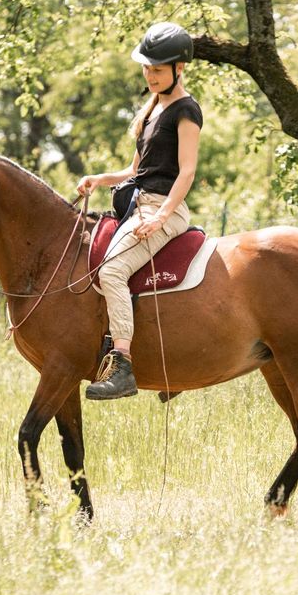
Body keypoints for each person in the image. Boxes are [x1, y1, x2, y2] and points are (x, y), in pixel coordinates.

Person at [76, 22, 203, 401]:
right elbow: (135, 172)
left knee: (112, 270)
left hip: (164, 210)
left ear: (180, 69)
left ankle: (124, 365)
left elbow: (187, 171)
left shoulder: (186, 111)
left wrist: (161, 216)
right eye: (147, 67)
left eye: (158, 69)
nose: (150, 74)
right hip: (138, 206)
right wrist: (99, 178)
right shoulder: (152, 109)